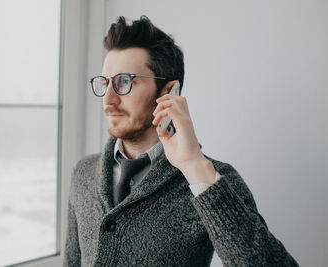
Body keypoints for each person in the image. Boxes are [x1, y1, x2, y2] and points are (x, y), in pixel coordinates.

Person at [64, 15, 298, 267]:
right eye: (105, 83)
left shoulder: (212, 181)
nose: (108, 99)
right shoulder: (83, 173)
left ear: (168, 92)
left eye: (124, 82)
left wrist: (194, 166)